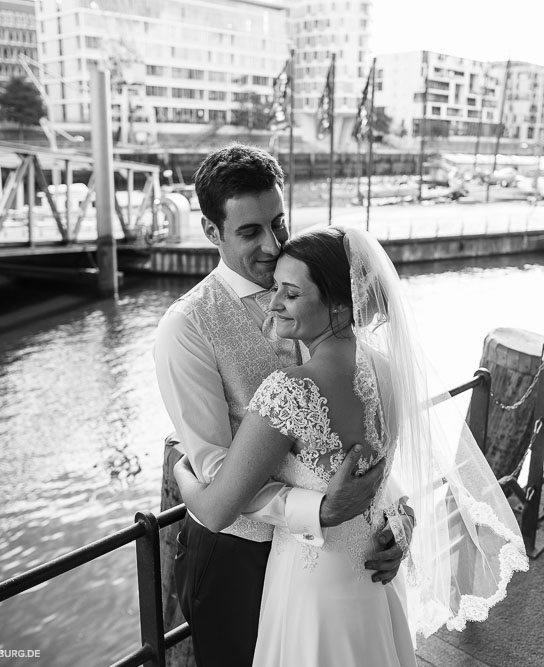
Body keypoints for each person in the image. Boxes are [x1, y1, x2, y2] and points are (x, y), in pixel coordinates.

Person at [174, 226, 530, 666]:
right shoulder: (385, 369)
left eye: (290, 293)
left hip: (312, 589)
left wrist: (180, 468)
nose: (273, 303)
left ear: (340, 309)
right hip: (372, 576)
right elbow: (381, 477)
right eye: (276, 290)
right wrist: (400, 525)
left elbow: (213, 511)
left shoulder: (290, 392)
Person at [152, 144, 407, 667]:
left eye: (278, 222)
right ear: (210, 232)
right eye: (249, 232)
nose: (272, 245)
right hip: (237, 557)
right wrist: (318, 509)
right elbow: (217, 472)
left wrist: (395, 522)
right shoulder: (187, 327)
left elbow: (367, 443)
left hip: (339, 558)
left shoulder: (318, 279)